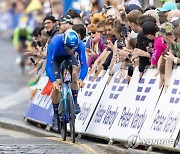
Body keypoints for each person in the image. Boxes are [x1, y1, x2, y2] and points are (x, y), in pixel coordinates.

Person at [46, 29, 88, 132]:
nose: (70, 50)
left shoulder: (80, 45)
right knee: (57, 84)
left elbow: (84, 64)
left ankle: (74, 101)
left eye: (73, 49)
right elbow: (48, 66)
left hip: (69, 58)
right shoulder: (55, 42)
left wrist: (81, 79)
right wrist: (54, 81)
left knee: (74, 73)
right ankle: (56, 115)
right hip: (55, 59)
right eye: (68, 48)